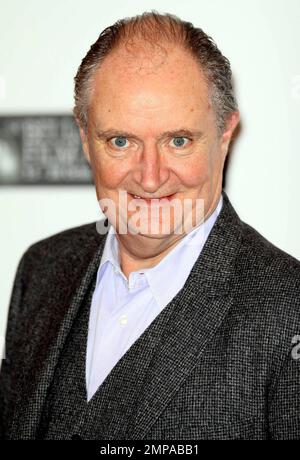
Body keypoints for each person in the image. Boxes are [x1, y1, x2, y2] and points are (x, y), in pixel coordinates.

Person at [1, 11, 300, 441]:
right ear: (86, 139)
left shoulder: (288, 307)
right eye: (120, 141)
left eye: (178, 141)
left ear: (225, 136)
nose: (150, 176)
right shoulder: (41, 269)